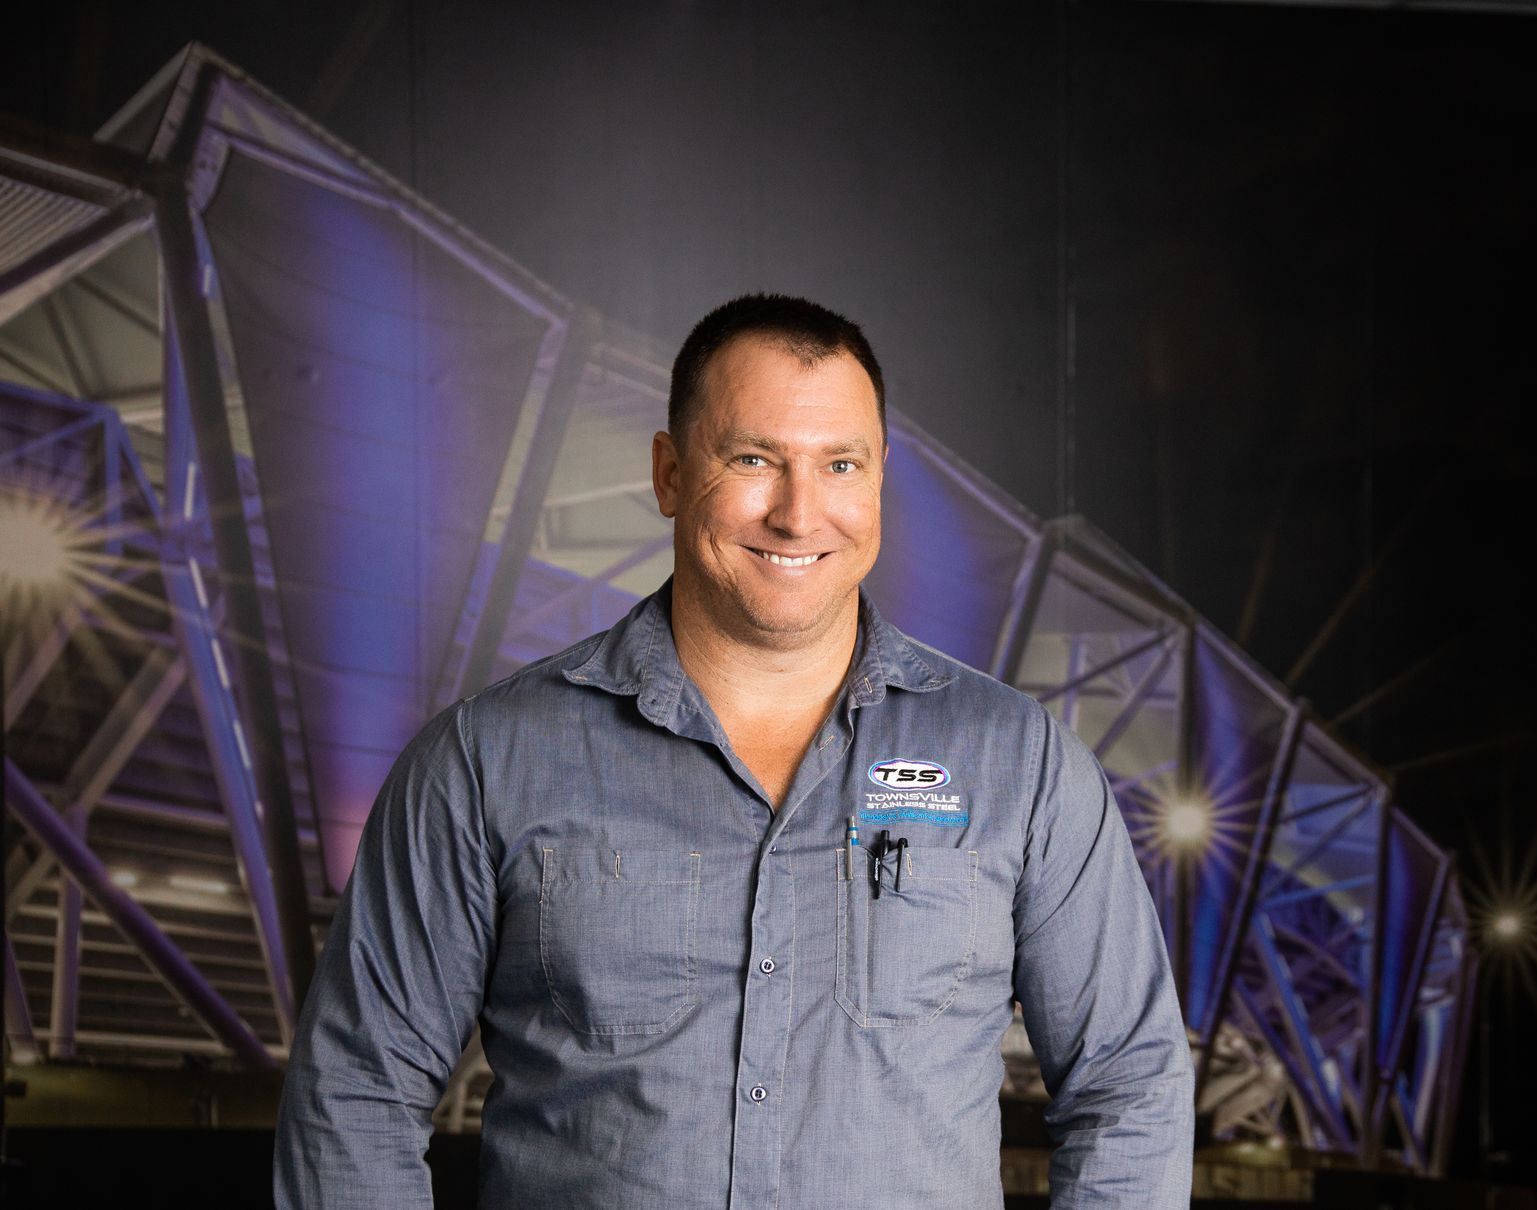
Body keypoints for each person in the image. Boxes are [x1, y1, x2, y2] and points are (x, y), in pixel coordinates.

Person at [274, 294, 1194, 1208]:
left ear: (876, 481)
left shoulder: (1020, 765)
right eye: (753, 459)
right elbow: (354, 1091)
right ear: (669, 473)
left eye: (840, 464)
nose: (799, 514)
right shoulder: (484, 760)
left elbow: (1129, 1084)